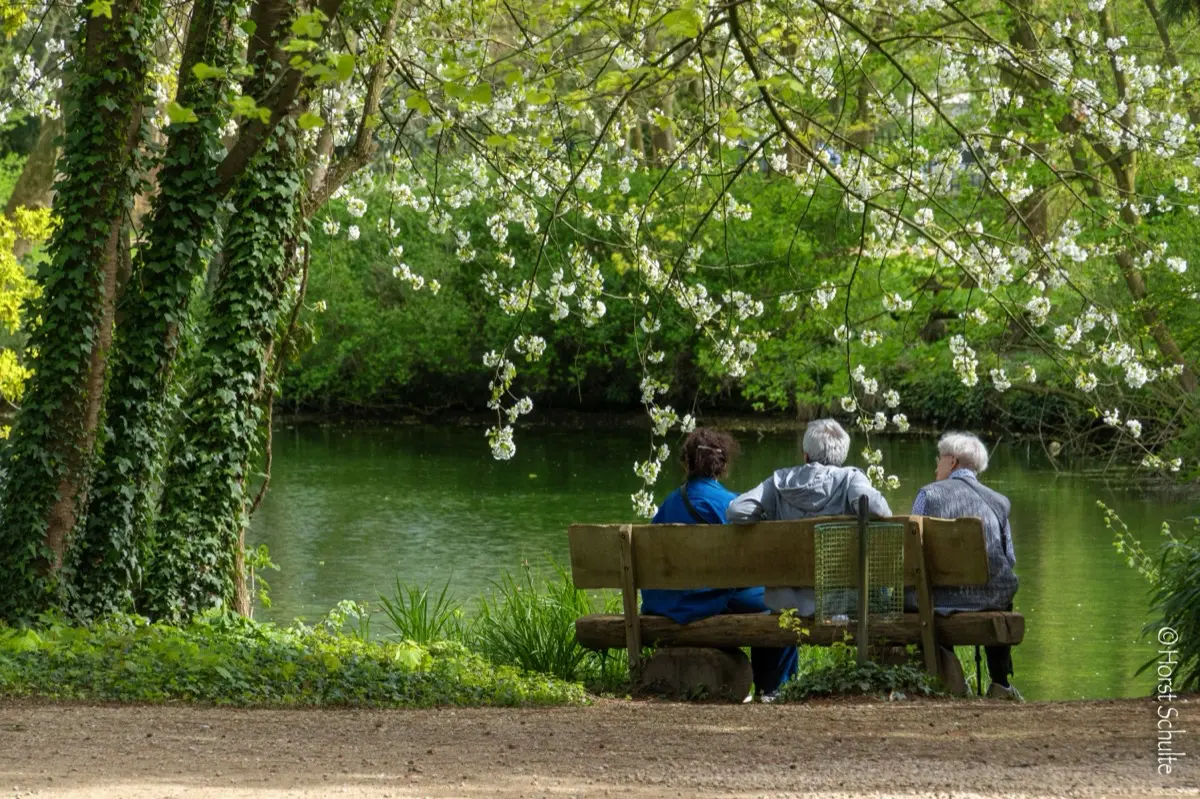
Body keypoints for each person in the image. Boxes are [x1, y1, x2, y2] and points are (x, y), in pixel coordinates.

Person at [641, 427, 798, 701]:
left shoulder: (667, 505)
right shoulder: (732, 504)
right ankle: (772, 688)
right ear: (722, 465)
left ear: (686, 462)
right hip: (709, 600)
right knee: (782, 607)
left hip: (668, 603)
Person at [726, 419, 892, 615]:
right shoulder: (850, 478)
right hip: (840, 604)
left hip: (786, 605)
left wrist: (765, 520)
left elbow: (737, 510)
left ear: (805, 455)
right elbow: (877, 509)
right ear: (842, 456)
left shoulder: (779, 481)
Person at [911, 431, 1021, 701]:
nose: (936, 466)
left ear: (952, 461)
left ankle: (950, 676)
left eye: (939, 459)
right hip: (991, 599)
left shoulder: (928, 496)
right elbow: (1010, 559)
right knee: (1003, 595)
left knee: (918, 592)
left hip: (939, 602)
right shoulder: (999, 502)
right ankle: (1000, 683)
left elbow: (910, 553)